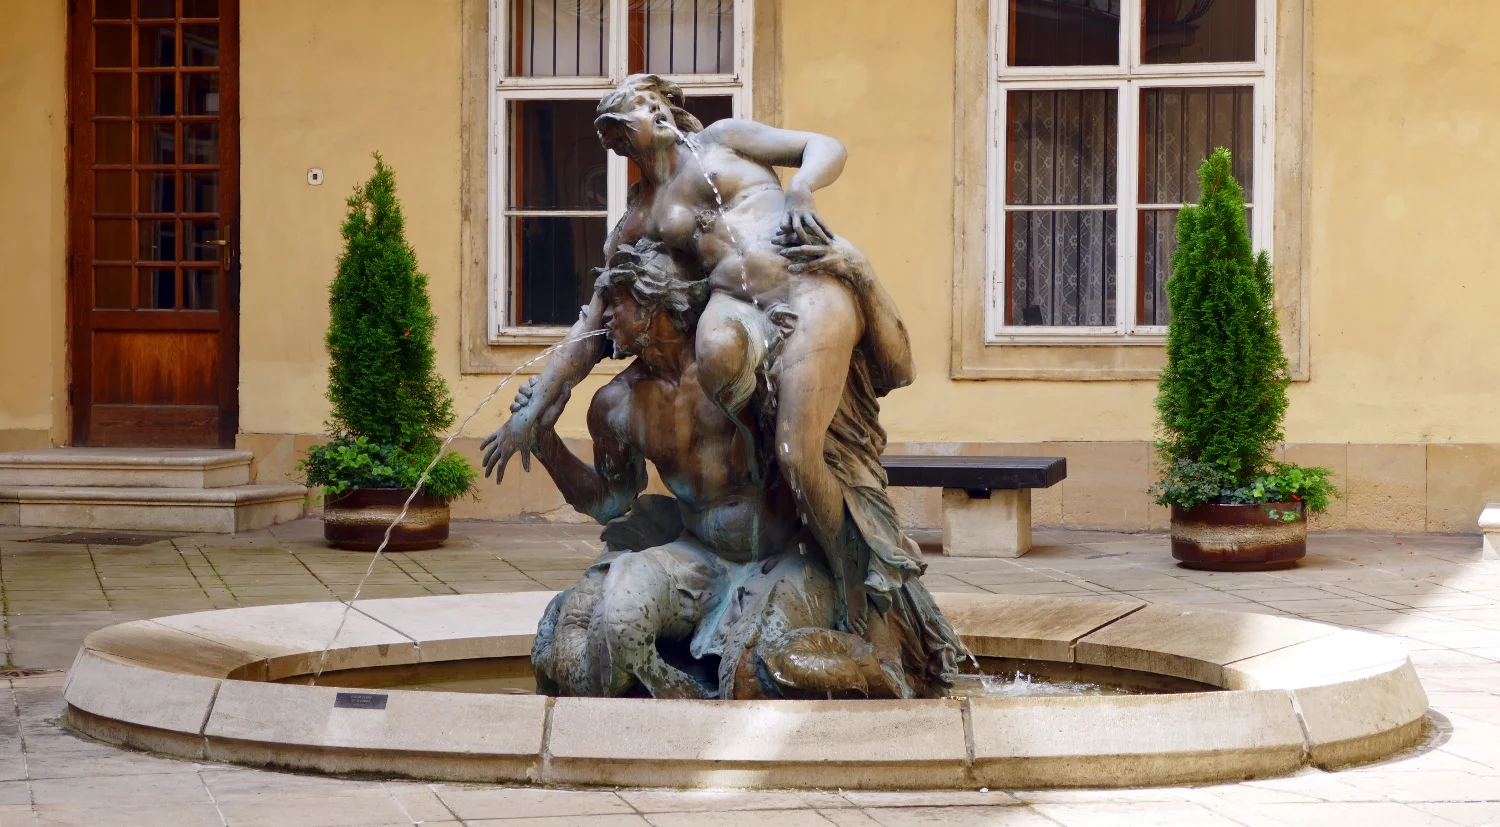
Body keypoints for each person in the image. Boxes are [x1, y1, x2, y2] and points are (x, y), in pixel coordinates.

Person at [483, 77, 951, 670]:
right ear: (618, 138)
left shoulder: (725, 142)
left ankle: (857, 583)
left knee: (799, 453)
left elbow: (824, 144)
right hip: (738, 299)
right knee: (719, 351)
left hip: (803, 283)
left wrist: (803, 187)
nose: (650, 111)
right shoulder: (639, 217)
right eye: (633, 111)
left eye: (654, 102)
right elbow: (597, 320)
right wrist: (539, 404)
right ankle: (750, 452)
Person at [523, 239, 912, 700]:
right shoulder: (615, 404)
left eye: (617, 302)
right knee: (608, 637)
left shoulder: (744, 373)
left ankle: (878, 669)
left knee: (753, 675)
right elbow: (608, 502)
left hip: (788, 556)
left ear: (655, 303)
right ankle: (669, 694)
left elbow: (883, 373)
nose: (603, 318)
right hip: (697, 554)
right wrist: (544, 442)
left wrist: (856, 278)